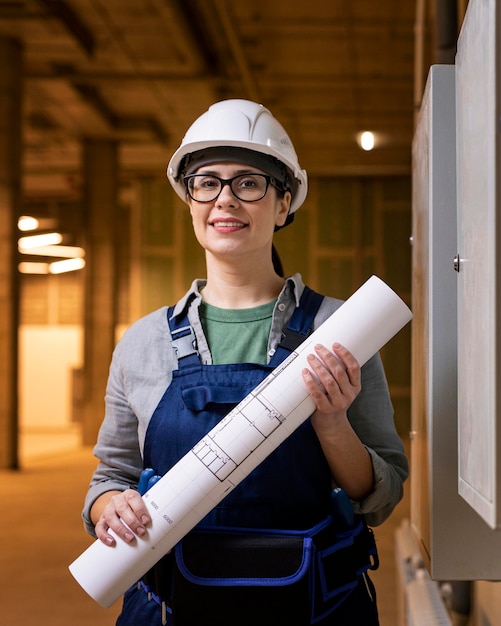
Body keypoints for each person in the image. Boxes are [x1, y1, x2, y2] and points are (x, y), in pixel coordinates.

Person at [82, 99, 409, 626]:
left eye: (249, 183)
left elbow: (379, 496)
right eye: (206, 182)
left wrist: (331, 423)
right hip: (168, 610)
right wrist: (110, 508)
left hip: (315, 610)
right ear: (189, 200)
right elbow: (109, 478)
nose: (225, 200)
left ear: (283, 205)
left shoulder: (340, 330)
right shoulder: (143, 343)